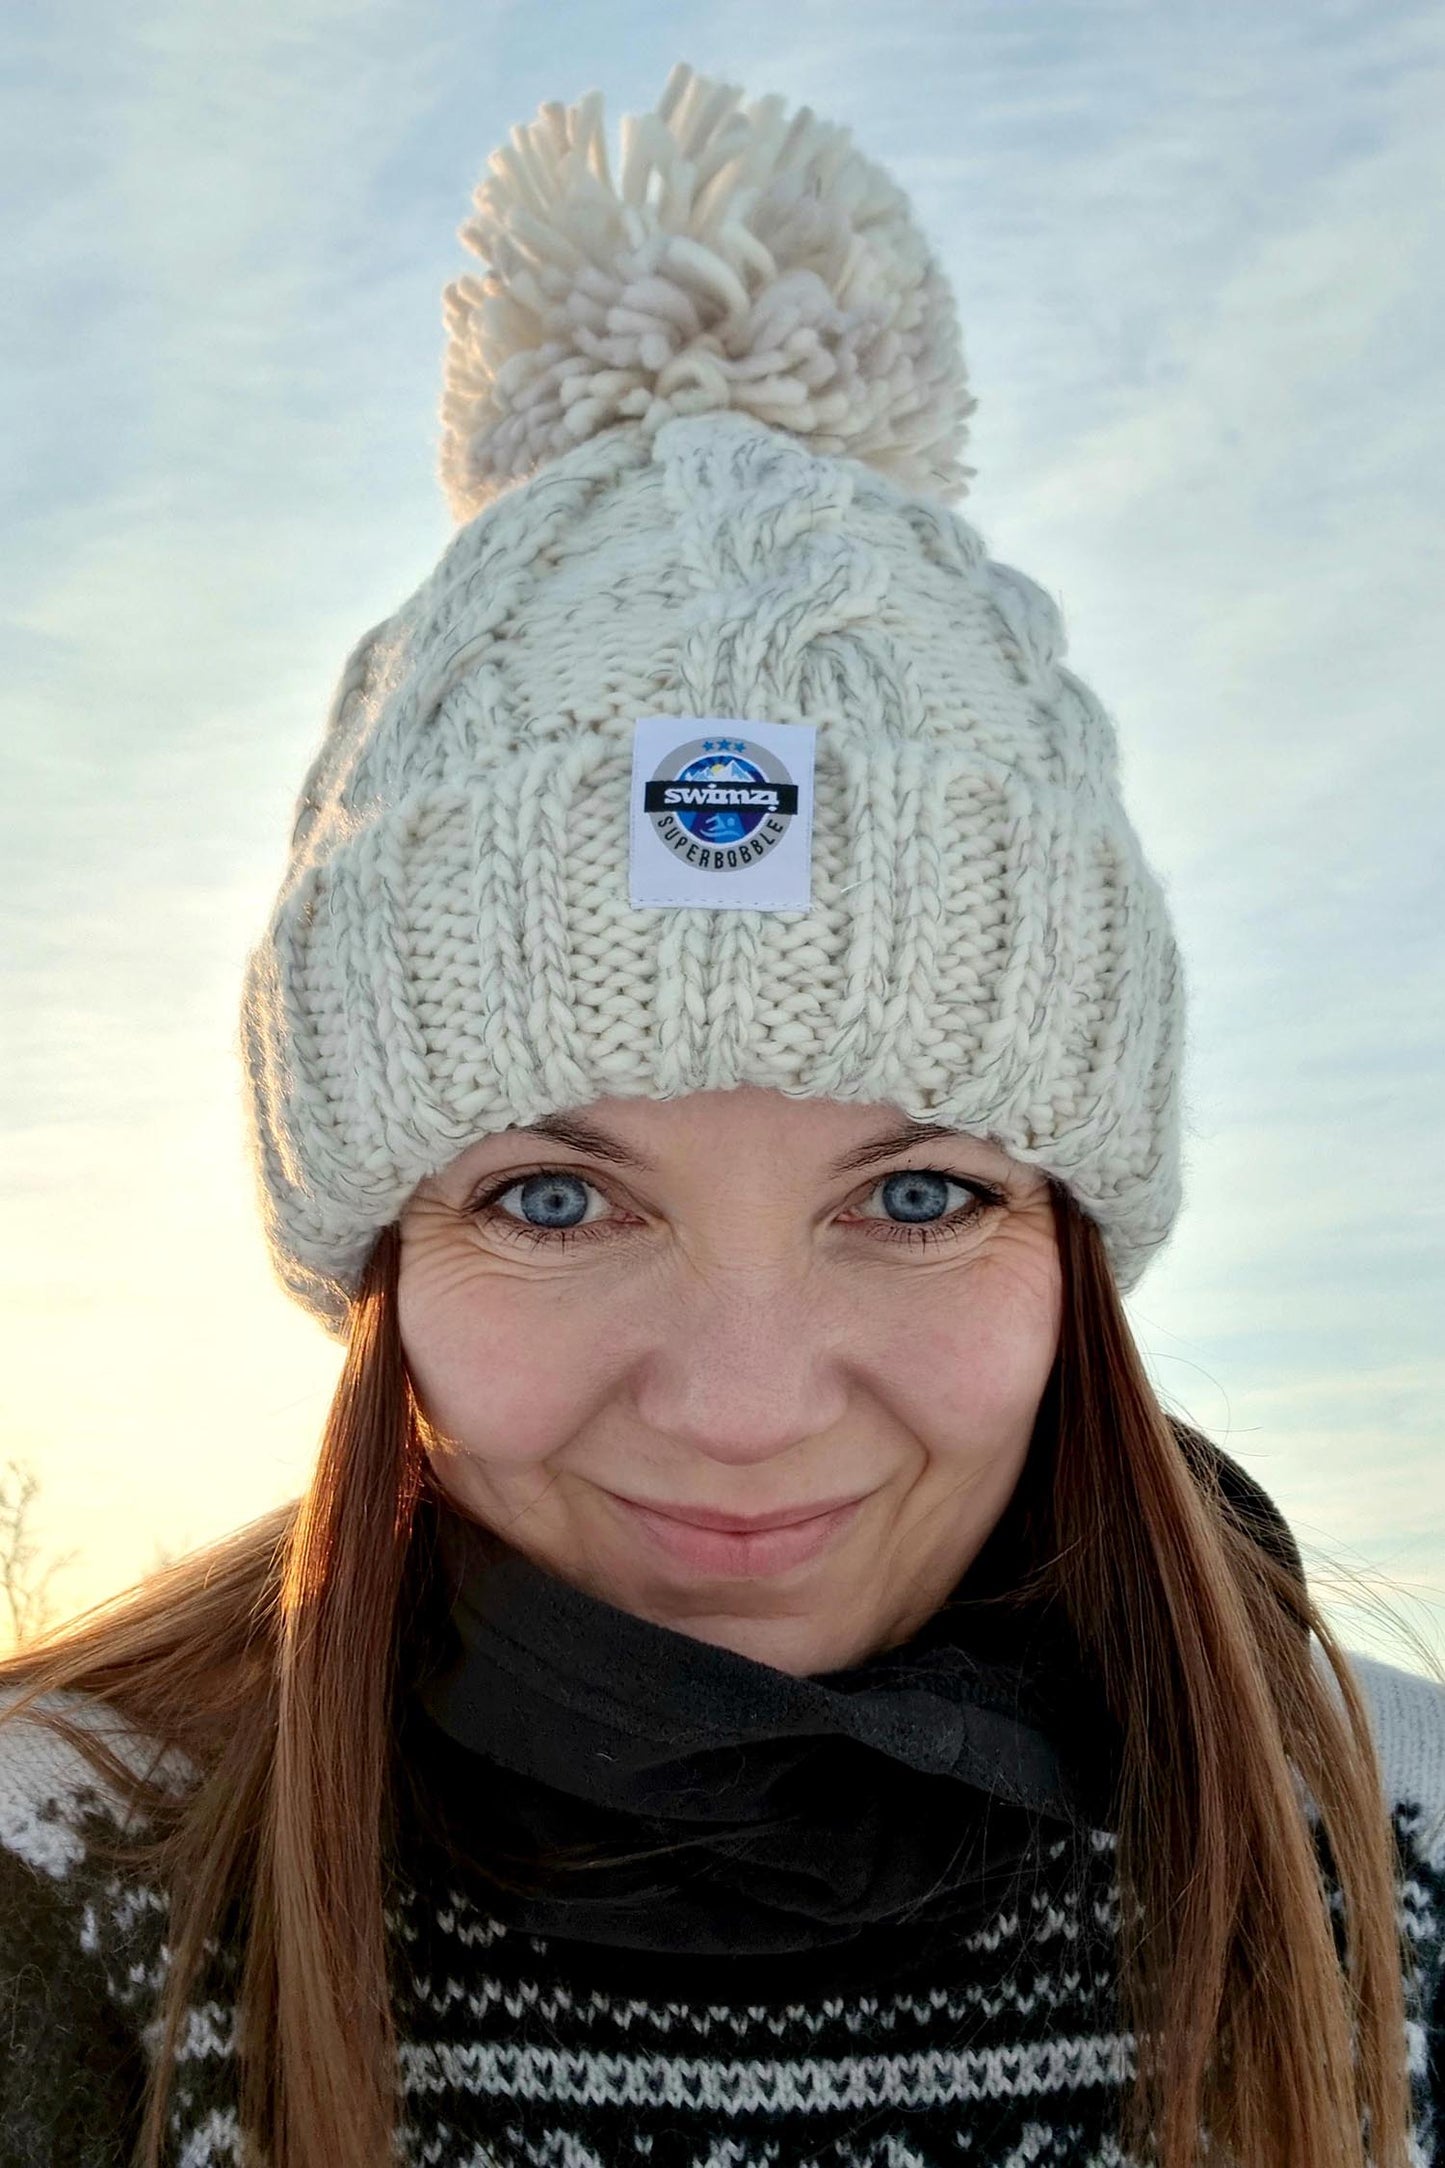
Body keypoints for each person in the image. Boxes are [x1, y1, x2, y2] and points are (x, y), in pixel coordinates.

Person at [1, 58, 1441, 2168]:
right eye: (561, 1197)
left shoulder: (1391, 1879)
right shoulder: (64, 1893)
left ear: (1077, 1247)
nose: (748, 1407)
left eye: (922, 1187)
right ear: (376, 1250)